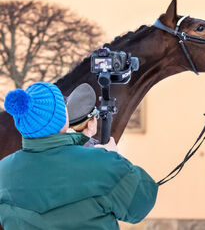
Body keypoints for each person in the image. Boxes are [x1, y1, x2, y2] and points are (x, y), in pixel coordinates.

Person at [0, 82, 158, 229]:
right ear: (61, 117)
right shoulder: (102, 164)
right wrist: (113, 158)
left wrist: (83, 144)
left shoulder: (3, 173)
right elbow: (141, 203)